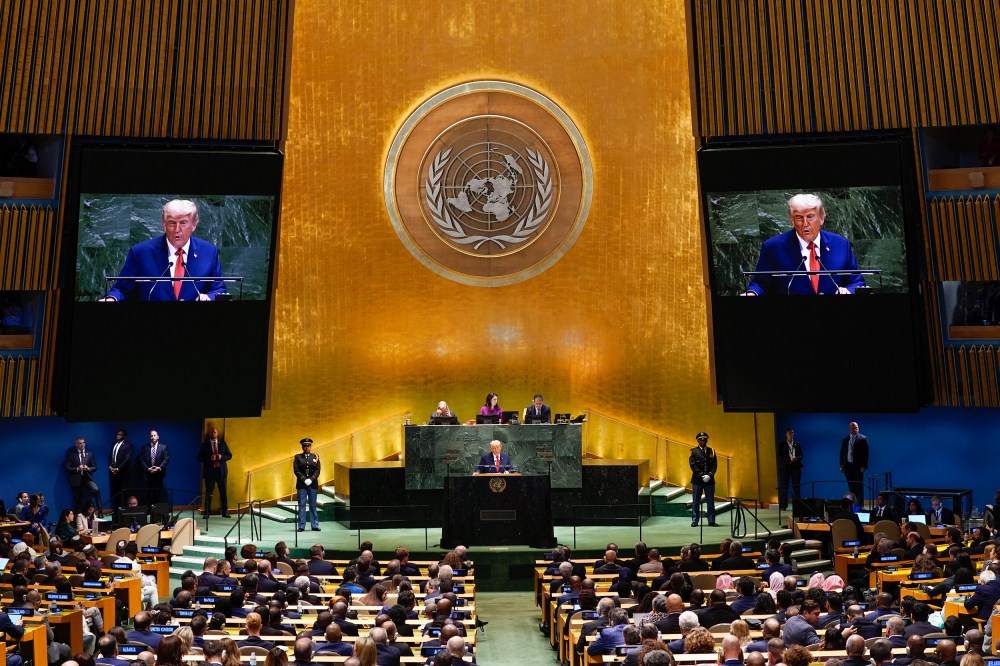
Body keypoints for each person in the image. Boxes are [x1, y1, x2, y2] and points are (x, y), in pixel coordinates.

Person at [100, 199, 226, 302]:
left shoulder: (208, 252)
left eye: (183, 223)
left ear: (194, 225)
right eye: (172, 223)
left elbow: (219, 289)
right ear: (164, 225)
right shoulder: (141, 253)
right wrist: (112, 298)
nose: (177, 229)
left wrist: (209, 297)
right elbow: (122, 289)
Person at [742, 193, 864, 296]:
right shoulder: (773, 247)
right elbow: (760, 283)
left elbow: (857, 282)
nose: (805, 223)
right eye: (799, 217)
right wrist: (752, 293)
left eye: (810, 216)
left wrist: (848, 291)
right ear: (792, 220)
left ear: (821, 218)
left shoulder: (841, 245)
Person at [198, 427, 232, 518]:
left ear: (217, 433)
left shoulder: (223, 443)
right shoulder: (205, 445)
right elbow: (199, 458)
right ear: (209, 434)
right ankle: (207, 512)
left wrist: (222, 457)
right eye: (211, 432)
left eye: (214, 432)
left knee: (223, 492)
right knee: (208, 493)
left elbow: (229, 455)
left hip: (221, 472)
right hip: (210, 472)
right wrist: (209, 458)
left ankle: (225, 512)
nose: (213, 434)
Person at [690, 432, 718, 527]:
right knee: (696, 501)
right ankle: (695, 520)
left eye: (705, 439)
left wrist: (710, 475)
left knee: (710, 501)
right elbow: (693, 465)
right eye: (701, 439)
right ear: (697, 440)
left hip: (709, 480)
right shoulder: (693, 451)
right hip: (698, 480)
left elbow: (714, 464)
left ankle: (711, 520)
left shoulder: (712, 451)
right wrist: (702, 475)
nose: (703, 441)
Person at [65, 437, 101, 512]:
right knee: (77, 498)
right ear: (76, 444)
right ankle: (78, 515)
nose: (82, 445)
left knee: (96, 490)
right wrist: (77, 469)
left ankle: (100, 510)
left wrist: (88, 468)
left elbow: (95, 467)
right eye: (80, 443)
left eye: (83, 443)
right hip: (76, 479)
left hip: (87, 478)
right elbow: (67, 468)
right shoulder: (72, 455)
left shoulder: (90, 454)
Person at [294, 438, 321, 532]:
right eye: (305, 446)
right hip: (302, 484)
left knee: (313, 505)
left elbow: (318, 470)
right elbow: (296, 470)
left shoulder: (316, 456)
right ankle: (301, 526)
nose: (307, 447)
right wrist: (304, 479)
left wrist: (311, 479)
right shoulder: (298, 457)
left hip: (312, 484)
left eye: (308, 446)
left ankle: (315, 525)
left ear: (310, 447)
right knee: (301, 505)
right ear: (302, 447)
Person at [839, 421, 869, 502]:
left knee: (858, 486)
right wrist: (841, 465)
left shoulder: (863, 439)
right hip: (848, 466)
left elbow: (866, 454)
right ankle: (852, 504)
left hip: (858, 467)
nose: (855, 429)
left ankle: (859, 505)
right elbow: (842, 452)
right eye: (853, 428)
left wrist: (864, 466)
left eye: (856, 427)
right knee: (851, 486)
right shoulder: (845, 439)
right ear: (849, 429)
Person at [776, 428, 803, 511]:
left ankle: (797, 506)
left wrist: (796, 458)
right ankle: (783, 506)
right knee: (784, 487)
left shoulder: (797, 444)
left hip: (795, 468)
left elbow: (801, 455)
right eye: (790, 433)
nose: (792, 435)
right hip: (785, 468)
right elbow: (780, 457)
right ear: (786, 434)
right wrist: (789, 459)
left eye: (793, 433)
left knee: (796, 487)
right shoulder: (782, 445)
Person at [139, 430, 169, 505]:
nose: (153, 437)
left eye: (154, 435)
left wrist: (159, 468)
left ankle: (155, 511)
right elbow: (141, 460)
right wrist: (147, 469)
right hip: (147, 474)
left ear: (158, 437)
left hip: (159, 474)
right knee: (147, 493)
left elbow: (166, 459)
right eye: (151, 436)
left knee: (157, 493)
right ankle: (148, 510)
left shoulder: (163, 447)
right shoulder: (145, 447)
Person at [107, 429, 133, 511]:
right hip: (114, 473)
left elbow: (127, 459)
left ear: (124, 436)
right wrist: (110, 466)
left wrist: (118, 468)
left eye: (120, 435)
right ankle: (115, 511)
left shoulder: (128, 445)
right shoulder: (114, 444)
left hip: (123, 473)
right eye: (117, 434)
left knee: (124, 493)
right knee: (115, 493)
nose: (118, 436)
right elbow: (110, 456)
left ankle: (124, 511)